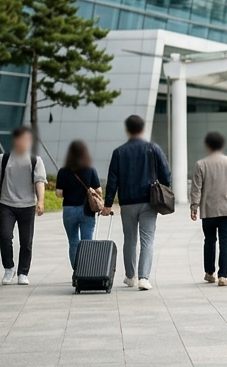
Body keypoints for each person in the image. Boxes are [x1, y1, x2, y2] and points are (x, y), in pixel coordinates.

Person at [103, 114, 171, 291]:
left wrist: (108, 203)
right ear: (143, 129)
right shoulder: (152, 148)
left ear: (127, 130)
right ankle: (144, 278)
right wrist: (163, 188)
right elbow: (166, 173)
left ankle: (130, 276)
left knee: (130, 239)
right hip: (149, 201)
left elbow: (112, 180)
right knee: (147, 239)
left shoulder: (119, 152)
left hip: (127, 202)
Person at [0, 126, 46, 286]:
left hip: (28, 205)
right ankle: (9, 268)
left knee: (26, 241)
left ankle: (23, 273)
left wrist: (40, 201)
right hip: (7, 204)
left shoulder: (35, 160)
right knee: (5, 237)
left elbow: (39, 182)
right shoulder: (4, 158)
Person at [189, 131, 227, 287]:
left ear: (207, 146)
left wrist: (194, 206)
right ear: (222, 145)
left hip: (208, 210)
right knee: (225, 242)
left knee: (209, 241)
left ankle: (209, 273)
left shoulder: (201, 164)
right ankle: (223, 276)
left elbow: (196, 188)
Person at [55, 140, 100, 271]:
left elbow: (59, 193)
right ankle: (86, 272)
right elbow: (99, 190)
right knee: (87, 242)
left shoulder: (63, 171)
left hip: (69, 210)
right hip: (87, 210)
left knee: (73, 242)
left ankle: (77, 272)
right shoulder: (90, 169)